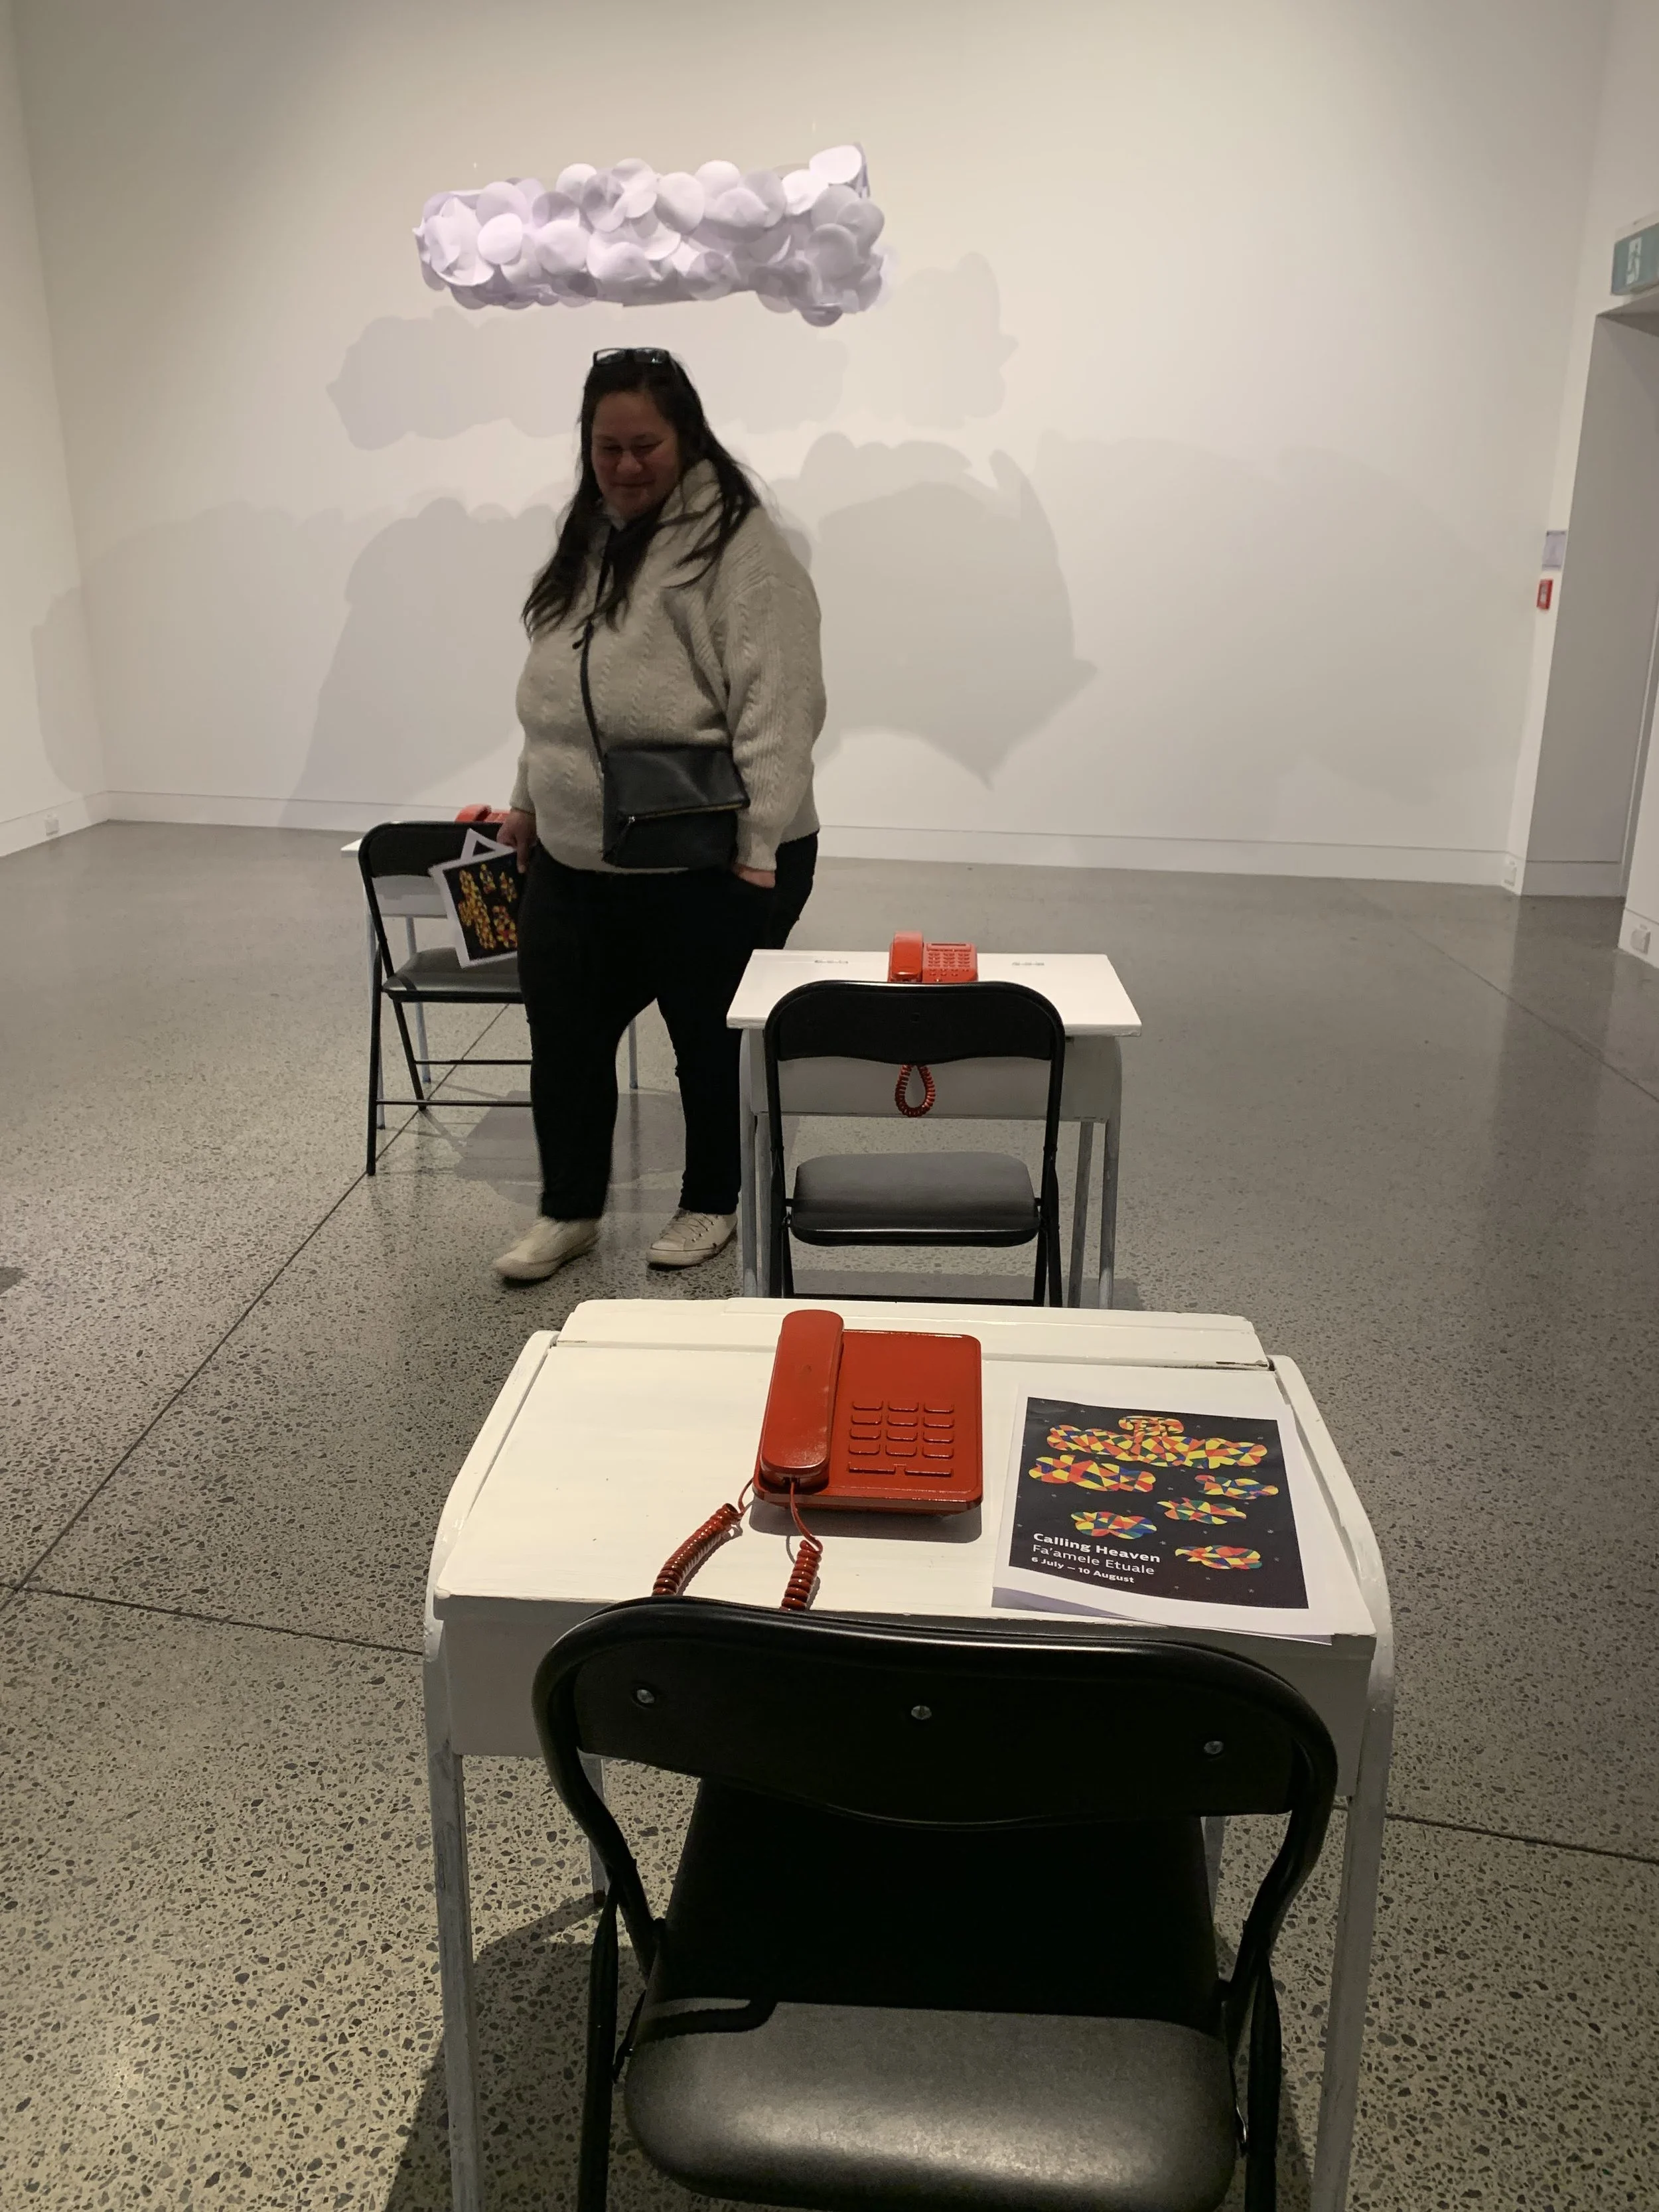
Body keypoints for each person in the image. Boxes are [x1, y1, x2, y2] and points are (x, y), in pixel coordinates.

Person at [492, 346, 824, 1283]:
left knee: (707, 1042)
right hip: (579, 854)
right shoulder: (590, 537)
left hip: (708, 850)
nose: (626, 465)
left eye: (646, 445)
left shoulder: (740, 549)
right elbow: (557, 693)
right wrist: (526, 800)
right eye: (608, 447)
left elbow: (780, 704)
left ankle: (711, 1200)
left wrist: (758, 846)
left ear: (687, 438)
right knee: (564, 1037)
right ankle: (568, 1210)